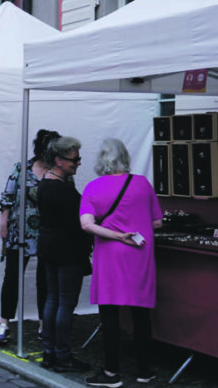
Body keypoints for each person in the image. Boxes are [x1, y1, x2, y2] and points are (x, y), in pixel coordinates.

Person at [80, 139, 162, 387]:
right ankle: (145, 370)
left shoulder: (93, 187)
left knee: (110, 316)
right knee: (140, 315)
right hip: (139, 254)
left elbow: (86, 224)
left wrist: (116, 234)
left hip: (110, 256)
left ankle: (111, 373)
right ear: (125, 157)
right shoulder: (142, 184)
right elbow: (157, 222)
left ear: (102, 160)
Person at [0, 129, 60, 342]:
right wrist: (3, 224)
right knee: (12, 277)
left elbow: (67, 199)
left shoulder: (59, 172)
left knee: (45, 280)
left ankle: (43, 324)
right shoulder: (21, 169)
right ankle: (4, 323)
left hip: (48, 232)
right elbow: (7, 198)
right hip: (20, 232)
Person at [37, 136, 92, 373]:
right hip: (67, 250)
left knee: (52, 299)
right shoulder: (62, 189)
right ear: (59, 160)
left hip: (49, 247)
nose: (78, 163)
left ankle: (50, 352)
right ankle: (62, 356)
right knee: (65, 304)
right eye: (74, 159)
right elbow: (78, 222)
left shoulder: (45, 183)